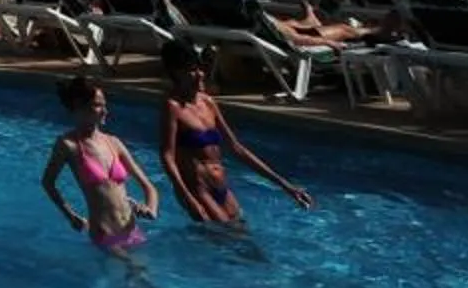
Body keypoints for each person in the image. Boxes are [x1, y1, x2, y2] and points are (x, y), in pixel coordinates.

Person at [157, 42, 311, 223]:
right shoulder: (172, 107)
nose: (200, 74)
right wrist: (186, 196)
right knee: (229, 241)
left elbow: (236, 147)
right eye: (192, 70)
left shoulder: (208, 102)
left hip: (221, 186)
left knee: (242, 236)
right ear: (176, 73)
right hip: (199, 190)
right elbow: (167, 155)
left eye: (199, 68)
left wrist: (286, 186)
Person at [41, 75, 159, 254]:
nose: (105, 111)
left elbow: (148, 186)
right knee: (138, 274)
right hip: (105, 234)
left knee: (137, 276)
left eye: (105, 105)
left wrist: (150, 208)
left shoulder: (114, 142)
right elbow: (48, 183)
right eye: (98, 105)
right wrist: (71, 216)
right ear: (79, 106)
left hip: (132, 230)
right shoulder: (68, 145)